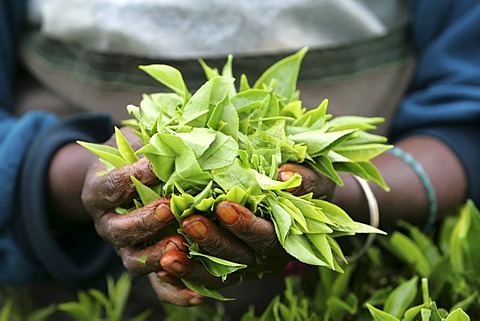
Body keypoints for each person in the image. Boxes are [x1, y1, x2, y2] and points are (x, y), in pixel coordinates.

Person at [1, 0, 479, 319]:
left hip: (357, 286)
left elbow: (466, 108)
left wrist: (350, 198)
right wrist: (66, 175)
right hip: (67, 289)